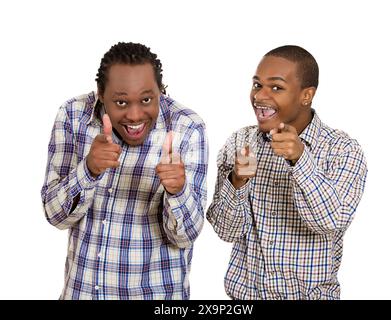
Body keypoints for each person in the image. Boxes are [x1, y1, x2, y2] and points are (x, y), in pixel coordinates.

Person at [41, 42, 208, 300]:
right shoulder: (72, 115)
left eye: (146, 99)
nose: (134, 114)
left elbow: (186, 237)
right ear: (100, 95)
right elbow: (55, 216)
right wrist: (88, 171)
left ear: (160, 92)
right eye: (120, 102)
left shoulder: (187, 128)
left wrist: (178, 191)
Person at [206, 45, 367, 300]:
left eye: (276, 87)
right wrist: (237, 181)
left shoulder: (342, 149)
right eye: (257, 85)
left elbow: (331, 222)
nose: (260, 96)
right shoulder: (240, 142)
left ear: (306, 96)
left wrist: (300, 159)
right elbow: (226, 231)